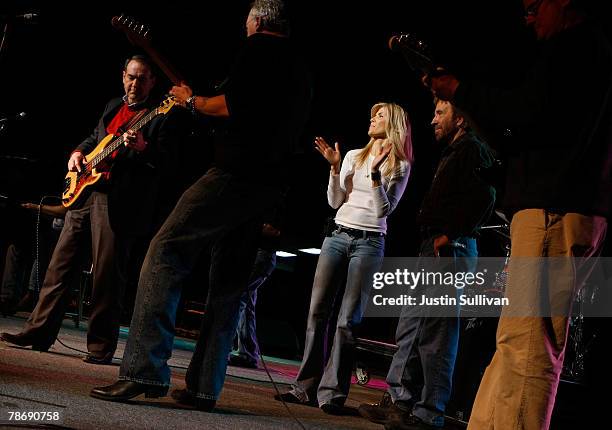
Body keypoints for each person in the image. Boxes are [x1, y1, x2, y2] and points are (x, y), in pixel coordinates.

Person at [90, 0, 312, 412]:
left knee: (164, 251)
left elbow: (232, 106)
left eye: (247, 19)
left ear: (258, 21)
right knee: (228, 281)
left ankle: (143, 372)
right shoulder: (299, 66)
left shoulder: (258, 49)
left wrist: (192, 101)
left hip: (235, 172)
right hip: (270, 186)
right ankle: (204, 388)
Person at [425, 1, 612, 429]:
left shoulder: (577, 47)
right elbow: (518, 132)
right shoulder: (583, 51)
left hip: (554, 209)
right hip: (555, 208)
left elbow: (524, 117)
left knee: (529, 347)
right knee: (516, 342)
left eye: (533, 6)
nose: (527, 17)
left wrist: (462, 91)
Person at [0, 54, 185, 364]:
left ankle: (100, 347)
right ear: (123, 75)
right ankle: (38, 331)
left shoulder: (160, 114)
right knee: (58, 269)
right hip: (84, 194)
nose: (134, 83)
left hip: (119, 202)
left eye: (141, 78)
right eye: (130, 76)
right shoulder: (113, 104)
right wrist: (76, 154)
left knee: (106, 278)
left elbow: (170, 164)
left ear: (153, 82)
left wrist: (143, 149)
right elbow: (93, 139)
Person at [358, 99, 495, 429]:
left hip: (449, 250)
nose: (432, 119)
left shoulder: (472, 149)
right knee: (411, 327)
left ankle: (427, 412)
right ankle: (400, 401)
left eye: (440, 113)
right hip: (434, 248)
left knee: (436, 335)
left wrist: (450, 235)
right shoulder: (455, 150)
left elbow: (486, 196)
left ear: (460, 118)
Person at [275, 102, 412, 414]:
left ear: (392, 124)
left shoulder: (400, 165)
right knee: (316, 313)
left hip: (369, 243)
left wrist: (376, 173)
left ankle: (332, 394)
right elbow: (335, 201)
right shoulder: (353, 155)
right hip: (338, 235)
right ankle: (304, 388)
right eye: (373, 114)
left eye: (379, 116)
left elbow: (383, 211)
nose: (372, 118)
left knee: (347, 321)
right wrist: (335, 169)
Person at [228, 224, 279, 369]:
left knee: (237, 300)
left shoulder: (273, 207)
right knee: (246, 305)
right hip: (256, 254)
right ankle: (248, 354)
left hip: (261, 254)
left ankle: (224, 349)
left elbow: (274, 230)